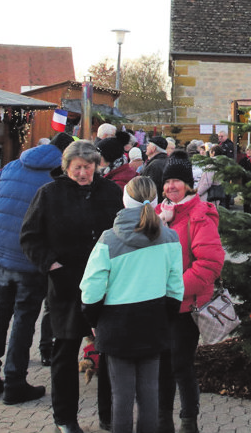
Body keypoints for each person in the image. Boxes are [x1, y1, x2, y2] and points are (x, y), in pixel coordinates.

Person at [21, 140, 125, 433]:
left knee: (107, 351)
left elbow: (123, 231)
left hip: (105, 285)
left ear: (97, 166)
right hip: (66, 285)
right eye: (77, 168)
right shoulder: (49, 194)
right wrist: (52, 265)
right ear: (66, 168)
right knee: (64, 352)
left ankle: (109, 414)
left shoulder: (110, 192)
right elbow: (30, 237)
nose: (83, 173)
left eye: (88, 167)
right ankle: (65, 418)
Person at [81, 177, 184, 433]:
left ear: (125, 200)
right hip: (154, 319)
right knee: (150, 393)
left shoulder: (108, 240)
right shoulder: (169, 237)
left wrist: (93, 320)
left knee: (121, 396)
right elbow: (175, 287)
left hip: (116, 324)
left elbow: (91, 289)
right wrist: (166, 318)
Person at [0, 141, 63, 404]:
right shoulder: (56, 176)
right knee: (24, 320)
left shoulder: (12, 166)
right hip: (31, 260)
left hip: (1, 257)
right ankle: (14, 382)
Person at [155, 153, 225, 433]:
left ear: (188, 184)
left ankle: (188, 419)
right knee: (160, 365)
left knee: (180, 364)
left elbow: (210, 264)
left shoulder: (199, 216)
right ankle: (162, 419)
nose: (172, 186)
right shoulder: (159, 215)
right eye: (168, 181)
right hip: (157, 305)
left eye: (178, 181)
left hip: (184, 306)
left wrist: (174, 290)